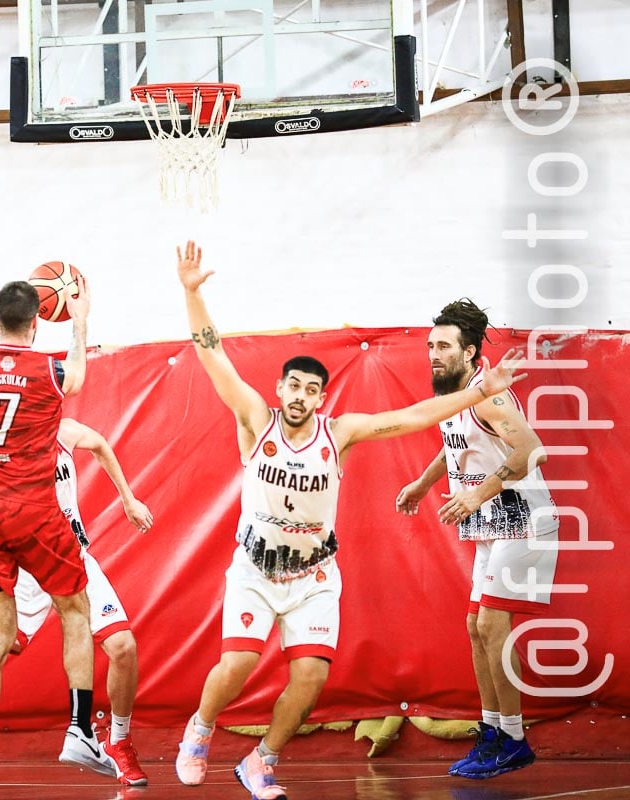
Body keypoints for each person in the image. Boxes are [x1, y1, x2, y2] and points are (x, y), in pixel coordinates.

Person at [171, 242, 527, 800]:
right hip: (257, 569)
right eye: (293, 386)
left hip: (314, 574)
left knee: (311, 678)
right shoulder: (254, 421)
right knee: (238, 662)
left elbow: (412, 417)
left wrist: (481, 389)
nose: (301, 396)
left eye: (312, 390)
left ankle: (262, 760)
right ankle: (201, 728)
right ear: (279, 389)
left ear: (320, 399)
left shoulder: (339, 433)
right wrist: (192, 294)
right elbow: (211, 353)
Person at [0, 277, 114, 777]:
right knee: (75, 611)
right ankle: (80, 730)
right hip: (31, 506)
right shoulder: (52, 370)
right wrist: (79, 320)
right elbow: (76, 373)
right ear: (37, 322)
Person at [0, 417, 154, 786]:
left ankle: (118, 741)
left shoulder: (62, 431)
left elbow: (100, 443)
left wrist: (128, 499)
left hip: (72, 558)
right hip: (25, 570)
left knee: (123, 647)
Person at [396, 298, 558, 780]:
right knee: (475, 627)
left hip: (521, 515)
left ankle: (513, 737)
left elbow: (534, 451)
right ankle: (492, 731)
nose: (433, 354)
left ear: (469, 353)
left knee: (491, 626)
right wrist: (423, 484)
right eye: (430, 345)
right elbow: (456, 444)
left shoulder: (488, 394)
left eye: (443, 346)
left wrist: (474, 497)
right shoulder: (457, 393)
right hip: (491, 519)